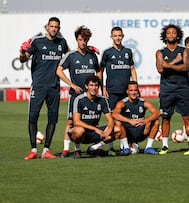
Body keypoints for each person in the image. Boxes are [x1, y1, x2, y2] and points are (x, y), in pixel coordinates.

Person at [20, 17, 69, 160]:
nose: (53, 29)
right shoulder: (37, 41)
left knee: (52, 119)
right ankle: (33, 150)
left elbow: (71, 55)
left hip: (54, 87)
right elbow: (24, 59)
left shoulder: (62, 42)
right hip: (38, 86)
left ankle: (46, 150)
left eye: (56, 27)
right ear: (47, 27)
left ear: (59, 29)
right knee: (32, 117)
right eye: (51, 26)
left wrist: (87, 50)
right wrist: (22, 52)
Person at [56, 25, 101, 157]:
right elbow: (58, 70)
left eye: (86, 40)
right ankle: (67, 149)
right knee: (71, 122)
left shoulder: (92, 56)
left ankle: (89, 147)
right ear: (77, 39)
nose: (83, 42)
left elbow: (98, 71)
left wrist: (98, 87)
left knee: (91, 121)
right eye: (81, 39)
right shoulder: (70, 55)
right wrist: (72, 84)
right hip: (75, 95)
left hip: (90, 97)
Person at [155, 24, 189, 155]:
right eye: (168, 33)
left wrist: (168, 65)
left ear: (177, 35)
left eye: (173, 33)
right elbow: (160, 69)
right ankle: (165, 146)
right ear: (165, 36)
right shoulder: (160, 52)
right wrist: (175, 63)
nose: (171, 35)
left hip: (182, 88)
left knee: (187, 117)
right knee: (165, 118)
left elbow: (186, 67)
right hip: (167, 89)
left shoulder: (184, 51)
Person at [99, 26, 138, 155]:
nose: (117, 38)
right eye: (115, 36)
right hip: (112, 91)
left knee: (126, 118)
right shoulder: (107, 53)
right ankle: (110, 146)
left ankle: (126, 145)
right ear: (111, 37)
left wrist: (135, 86)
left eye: (119, 35)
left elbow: (132, 69)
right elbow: (100, 71)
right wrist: (102, 87)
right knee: (111, 119)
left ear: (123, 36)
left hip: (125, 91)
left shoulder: (128, 51)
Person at [68, 75, 118, 159]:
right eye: (91, 85)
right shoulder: (79, 99)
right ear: (86, 86)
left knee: (118, 129)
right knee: (79, 130)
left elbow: (110, 119)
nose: (94, 88)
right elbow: (76, 121)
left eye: (96, 85)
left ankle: (94, 148)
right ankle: (77, 150)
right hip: (81, 132)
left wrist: (108, 130)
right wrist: (95, 129)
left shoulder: (102, 100)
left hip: (95, 133)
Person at [112, 81, 160, 155]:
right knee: (117, 122)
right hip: (128, 133)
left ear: (138, 91)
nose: (133, 92)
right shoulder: (122, 103)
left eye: (135, 90)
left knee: (156, 121)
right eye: (131, 90)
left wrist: (146, 121)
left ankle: (148, 147)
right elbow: (114, 114)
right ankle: (126, 148)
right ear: (127, 91)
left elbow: (157, 113)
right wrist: (130, 121)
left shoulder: (143, 102)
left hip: (141, 132)